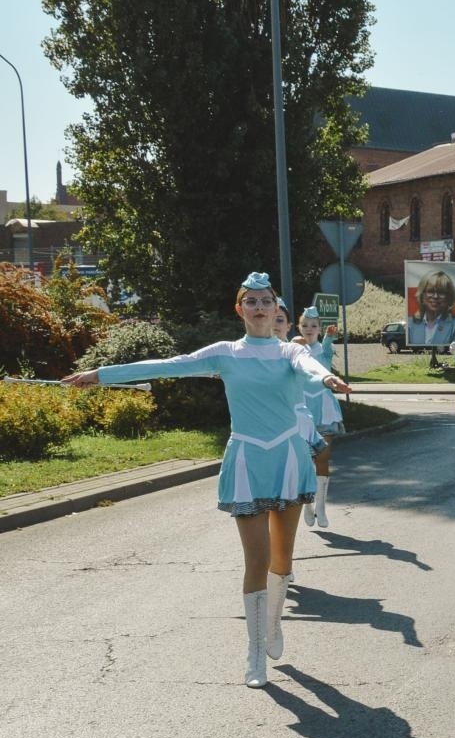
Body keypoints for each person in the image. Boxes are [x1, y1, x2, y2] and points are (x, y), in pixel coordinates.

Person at [64, 273, 350, 688]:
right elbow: (169, 367)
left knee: (282, 560)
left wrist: (325, 378)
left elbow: (307, 366)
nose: (258, 307)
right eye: (250, 301)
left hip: (288, 457)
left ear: (275, 309)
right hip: (248, 458)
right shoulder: (225, 353)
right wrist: (102, 373)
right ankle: (255, 654)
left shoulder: (289, 351)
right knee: (256, 559)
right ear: (240, 309)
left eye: (265, 301)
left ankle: (273, 625)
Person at [294, 307, 343, 527]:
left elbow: (326, 347)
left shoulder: (324, 350)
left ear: (319, 329)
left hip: (324, 410)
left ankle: (321, 508)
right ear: (299, 327)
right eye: (305, 325)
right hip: (301, 410)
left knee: (322, 458)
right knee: (304, 461)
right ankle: (308, 504)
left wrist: (329, 338)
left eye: (313, 326)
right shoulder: (293, 349)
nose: (309, 329)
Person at [407, 269, 455, 347]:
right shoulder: (410, 324)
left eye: (441, 292)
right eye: (430, 291)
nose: (435, 296)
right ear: (422, 295)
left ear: (449, 297)